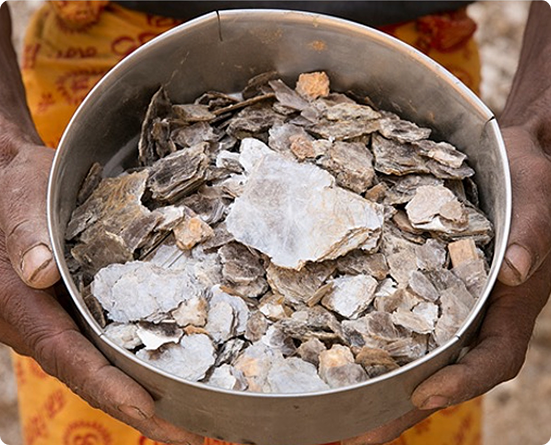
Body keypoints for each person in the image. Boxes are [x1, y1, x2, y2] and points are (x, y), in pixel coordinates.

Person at [0, 1, 550, 444]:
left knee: (418, 396)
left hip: (411, 67)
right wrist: (5, 148)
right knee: (98, 383)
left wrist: (540, 125)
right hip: (108, 64)